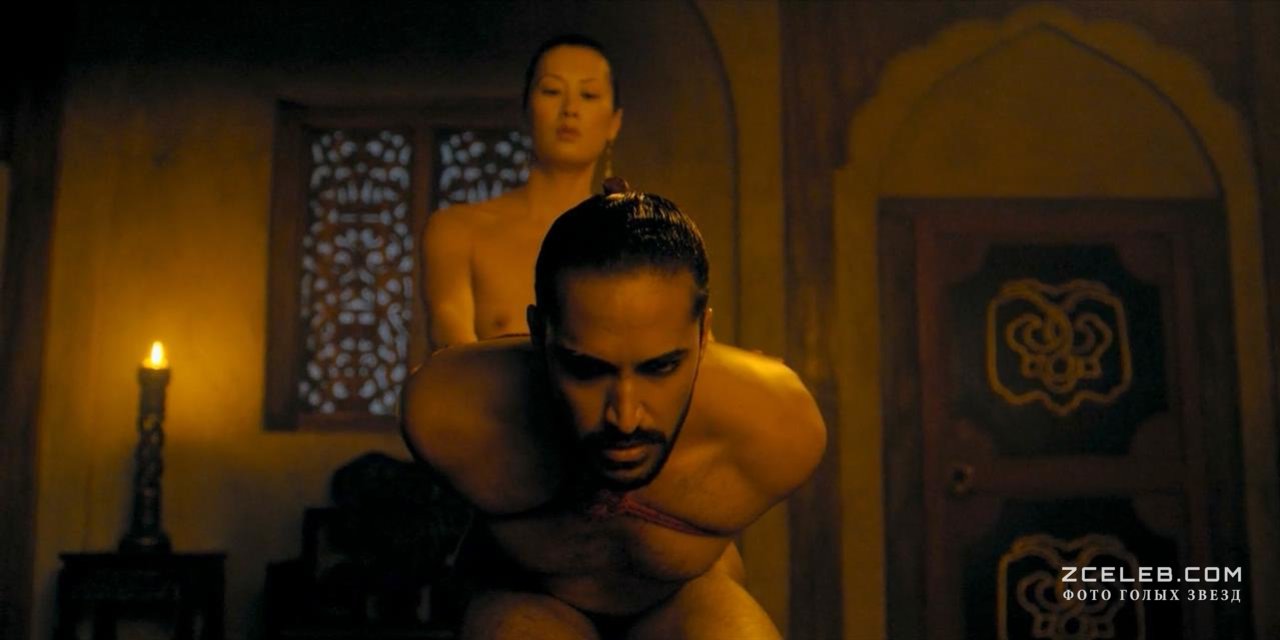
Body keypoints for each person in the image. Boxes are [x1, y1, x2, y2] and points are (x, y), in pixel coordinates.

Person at [402, 188, 826, 639]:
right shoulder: (447, 414)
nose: (624, 418)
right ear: (539, 335)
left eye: (660, 367)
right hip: (527, 593)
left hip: (685, 596)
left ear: (704, 335)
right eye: (586, 368)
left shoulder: (780, 429)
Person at [423, 34, 624, 348]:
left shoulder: (632, 240)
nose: (570, 109)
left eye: (588, 94)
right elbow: (454, 352)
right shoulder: (459, 230)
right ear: (526, 110)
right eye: (552, 91)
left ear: (614, 123)